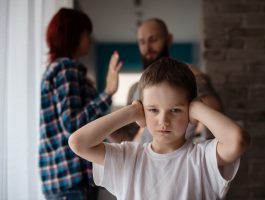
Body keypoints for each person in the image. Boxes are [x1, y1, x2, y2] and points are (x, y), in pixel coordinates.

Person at [69, 57, 250, 200]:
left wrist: (197, 108)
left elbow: (237, 141)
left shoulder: (202, 158)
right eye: (153, 110)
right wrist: (131, 112)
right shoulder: (128, 156)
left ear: (189, 110)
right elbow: (78, 143)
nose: (163, 120)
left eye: (175, 110)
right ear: (143, 108)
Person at [39, 8, 122, 199]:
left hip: (61, 180)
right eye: (87, 34)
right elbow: (73, 126)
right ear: (73, 35)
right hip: (71, 180)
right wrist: (108, 92)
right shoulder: (66, 69)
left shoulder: (58, 70)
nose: (90, 40)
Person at [108, 18, 223, 143]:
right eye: (142, 42)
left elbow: (214, 108)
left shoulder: (189, 76)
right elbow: (128, 136)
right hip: (145, 157)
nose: (147, 48)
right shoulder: (135, 88)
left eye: (153, 40)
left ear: (169, 39)